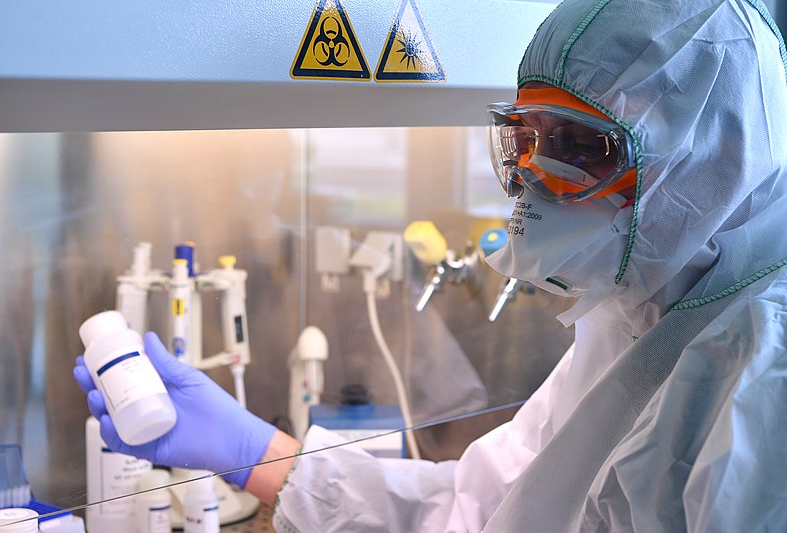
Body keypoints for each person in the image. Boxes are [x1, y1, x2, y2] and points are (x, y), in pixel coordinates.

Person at [74, 0, 787, 530]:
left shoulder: (762, 380)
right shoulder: (631, 322)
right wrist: (254, 451)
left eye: (579, 147)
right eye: (526, 140)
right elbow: (481, 509)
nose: (535, 182)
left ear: (715, 161)